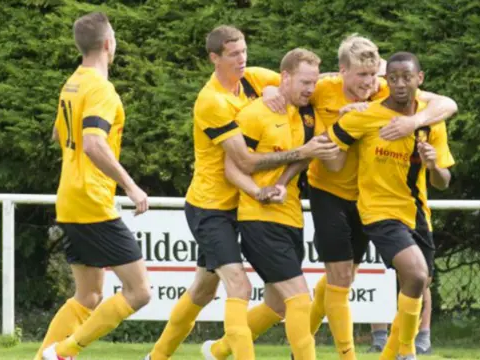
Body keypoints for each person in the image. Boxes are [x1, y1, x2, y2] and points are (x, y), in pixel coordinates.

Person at [143, 25, 337, 360]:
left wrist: (355, 83)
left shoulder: (254, 77)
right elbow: (244, 161)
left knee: (203, 291)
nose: (242, 60)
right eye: (234, 55)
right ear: (214, 58)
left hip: (243, 202)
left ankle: (171, 355)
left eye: (244, 51)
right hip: (212, 206)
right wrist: (301, 152)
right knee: (239, 286)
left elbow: (302, 80)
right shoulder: (212, 101)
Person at [305, 34, 458, 360]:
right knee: (347, 277)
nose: (369, 83)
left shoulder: (403, 101)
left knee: (412, 280)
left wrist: (413, 125)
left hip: (395, 203)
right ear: (342, 71)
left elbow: (447, 105)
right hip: (336, 194)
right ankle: (365, 354)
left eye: (374, 76)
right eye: (361, 75)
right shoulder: (324, 90)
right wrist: (340, 124)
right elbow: (289, 83)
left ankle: (304, 338)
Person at [38, 12, 152, 360]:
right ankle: (63, 351)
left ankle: (44, 356)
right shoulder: (101, 89)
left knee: (88, 296)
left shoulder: (72, 82)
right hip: (91, 202)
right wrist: (131, 186)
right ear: (108, 44)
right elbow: (92, 143)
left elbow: (60, 133)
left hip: (70, 198)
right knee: (139, 292)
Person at [220, 47, 326, 360]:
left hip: (291, 218)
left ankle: (217, 351)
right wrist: (257, 192)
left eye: (314, 83)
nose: (310, 89)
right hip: (259, 220)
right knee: (299, 301)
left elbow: (304, 155)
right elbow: (232, 167)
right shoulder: (254, 113)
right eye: (304, 82)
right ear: (285, 78)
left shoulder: (308, 114)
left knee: (277, 305)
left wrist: (281, 183)